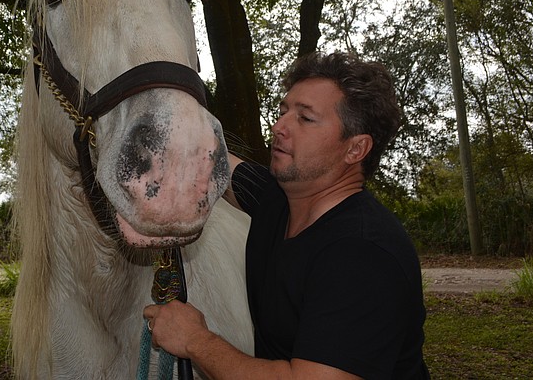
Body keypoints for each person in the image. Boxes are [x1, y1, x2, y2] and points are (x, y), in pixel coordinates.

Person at [143, 52, 430, 379]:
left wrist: (195, 340)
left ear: (355, 149)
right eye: (283, 111)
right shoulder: (279, 200)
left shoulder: (362, 253)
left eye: (305, 118)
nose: (279, 127)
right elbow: (212, 164)